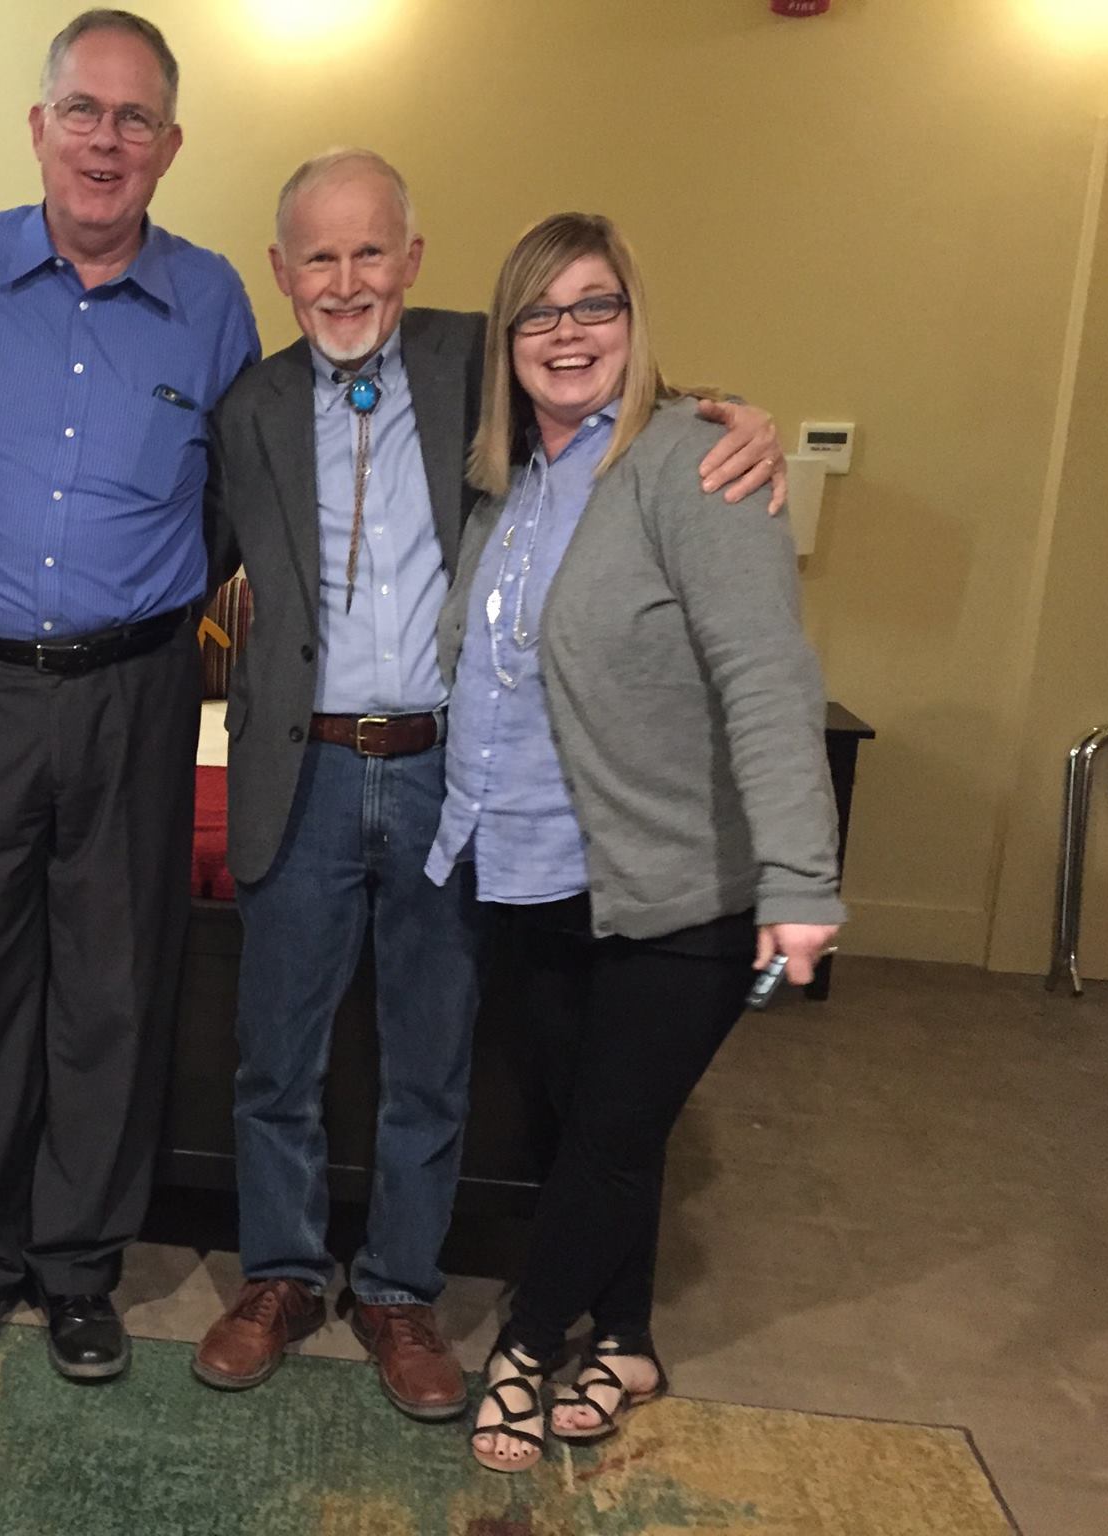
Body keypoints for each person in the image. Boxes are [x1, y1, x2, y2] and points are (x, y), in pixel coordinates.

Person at [194, 152, 787, 1420]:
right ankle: (282, 1276)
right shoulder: (244, 407)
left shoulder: (479, 356)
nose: (344, 281)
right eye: (318, 257)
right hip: (293, 775)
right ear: (280, 271)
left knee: (431, 1058)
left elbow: (617, 387)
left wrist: (738, 416)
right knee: (272, 1059)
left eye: (370, 253)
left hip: (435, 775)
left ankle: (399, 1292)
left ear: (410, 261)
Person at [422, 213, 843, 1472]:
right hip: (528, 873)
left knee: (606, 1133)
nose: (565, 334)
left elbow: (766, 676)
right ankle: (626, 1338)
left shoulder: (688, 467)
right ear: (505, 339)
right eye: (538, 313)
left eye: (593, 306)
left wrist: (800, 880)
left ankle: (524, 1344)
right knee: (595, 1128)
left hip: (677, 886)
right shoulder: (504, 484)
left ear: (632, 319)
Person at [0, 9, 259, 1383]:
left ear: (171, 145)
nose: (105, 140)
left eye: (135, 119)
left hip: (135, 689)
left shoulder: (219, 296)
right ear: (37, 126)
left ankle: (81, 1266)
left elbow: (238, 494)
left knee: (113, 986)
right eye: (83, 111)